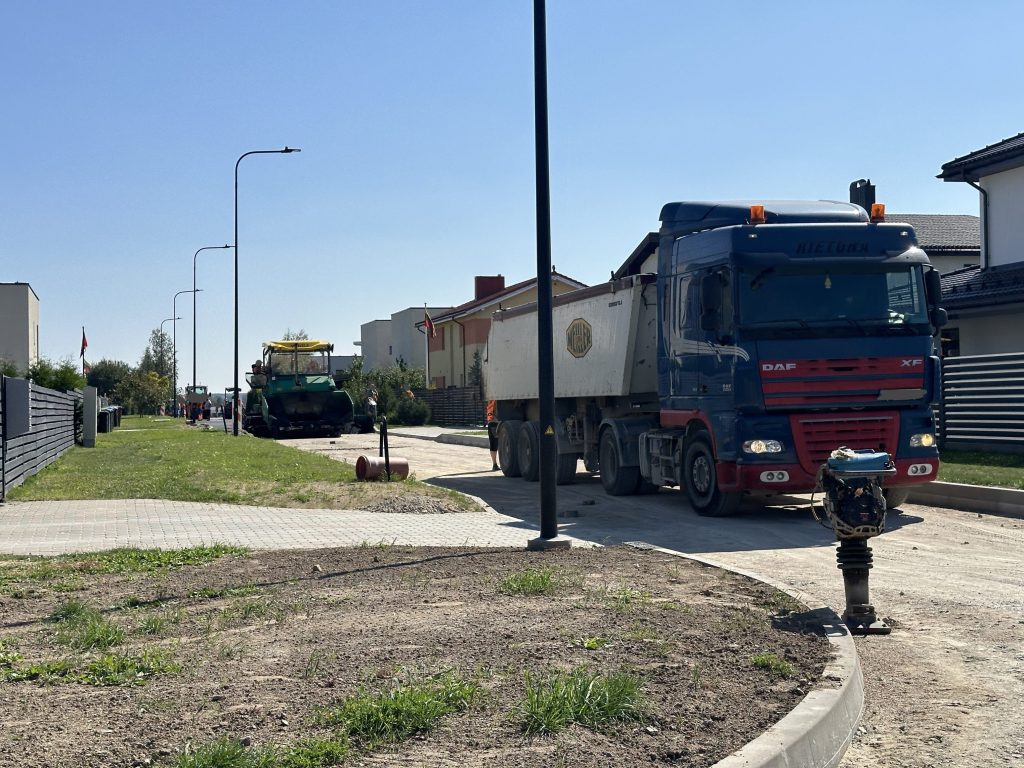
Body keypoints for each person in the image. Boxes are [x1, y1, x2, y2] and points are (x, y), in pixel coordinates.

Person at [486, 399, 499, 471]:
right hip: (495, 423)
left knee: (493, 444)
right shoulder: (497, 400)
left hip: (490, 423)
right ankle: (495, 465)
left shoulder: (490, 400)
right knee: (496, 444)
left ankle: (494, 464)